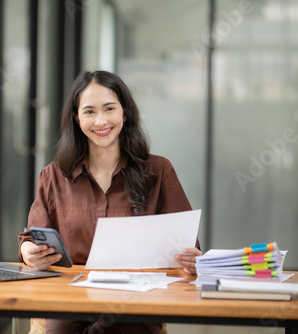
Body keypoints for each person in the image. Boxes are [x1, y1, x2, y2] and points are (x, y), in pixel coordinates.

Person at [18, 70, 201, 334]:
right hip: (70, 296)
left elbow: (187, 244)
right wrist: (30, 254)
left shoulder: (158, 171)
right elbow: (30, 239)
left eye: (109, 109)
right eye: (89, 111)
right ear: (76, 117)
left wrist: (191, 258)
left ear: (124, 113)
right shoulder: (53, 176)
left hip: (137, 299)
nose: (100, 121)